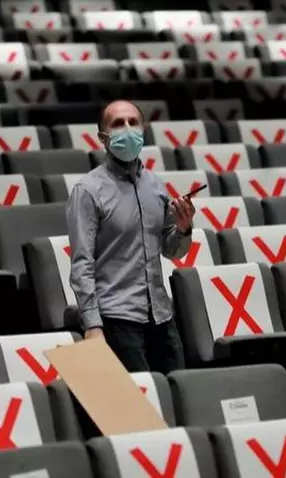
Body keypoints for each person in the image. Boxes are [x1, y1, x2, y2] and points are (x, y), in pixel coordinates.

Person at [66, 100, 196, 374]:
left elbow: (171, 250)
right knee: (142, 399)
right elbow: (81, 264)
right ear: (103, 138)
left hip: (161, 315)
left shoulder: (155, 185)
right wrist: (92, 325)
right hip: (117, 319)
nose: (127, 129)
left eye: (133, 122)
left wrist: (183, 229)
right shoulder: (87, 190)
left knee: (179, 390)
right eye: (117, 124)